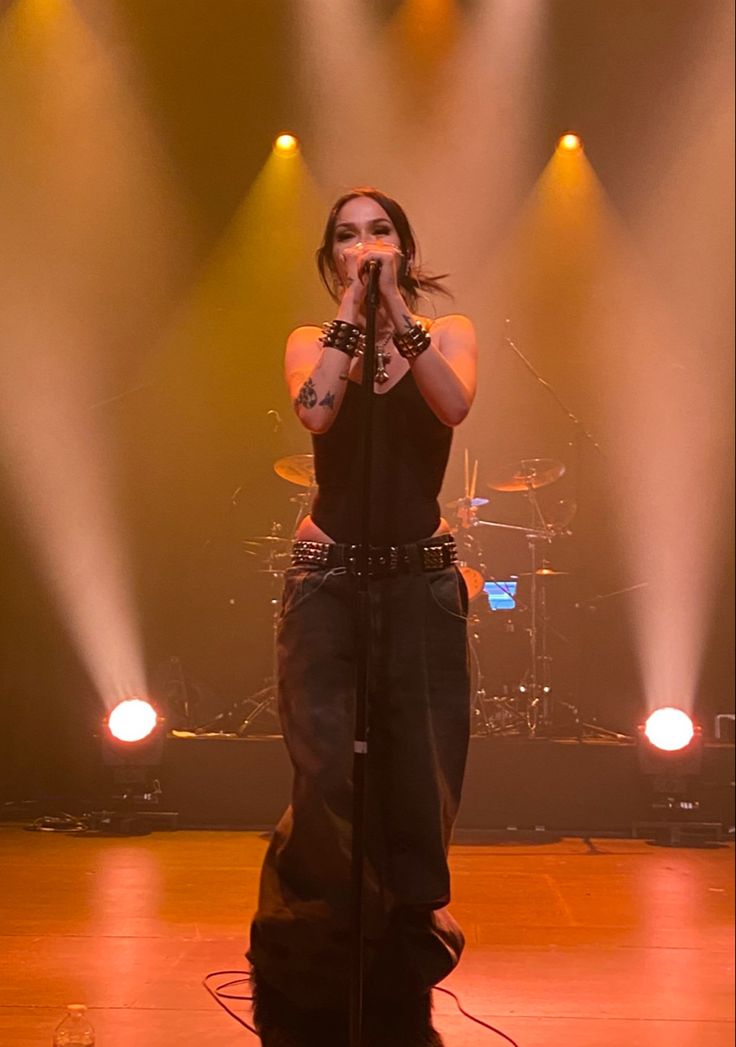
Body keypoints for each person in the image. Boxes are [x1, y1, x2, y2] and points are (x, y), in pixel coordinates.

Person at [248, 187, 477, 1047]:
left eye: (379, 231)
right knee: (326, 773)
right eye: (347, 237)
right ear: (330, 256)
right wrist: (353, 311)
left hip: (419, 579)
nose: (364, 244)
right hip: (328, 578)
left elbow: (452, 404)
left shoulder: (450, 335)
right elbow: (316, 410)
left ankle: (402, 948)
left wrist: (393, 310)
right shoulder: (312, 341)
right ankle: (317, 948)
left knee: (421, 771)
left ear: (405, 247)